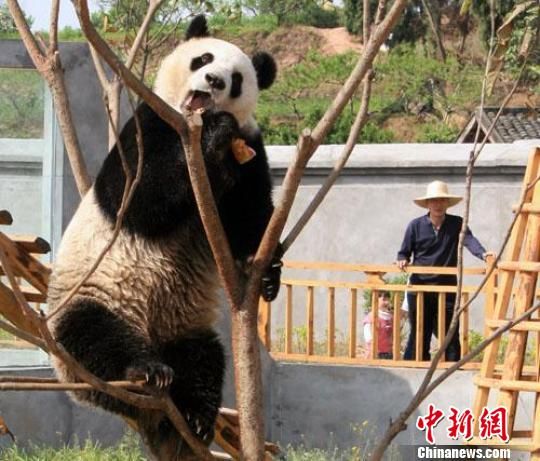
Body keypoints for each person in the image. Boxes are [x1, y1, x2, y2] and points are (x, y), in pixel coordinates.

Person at [396, 180, 492, 362]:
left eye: (441, 201)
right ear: (428, 204)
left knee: (450, 332)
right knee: (419, 331)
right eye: (434, 201)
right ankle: (415, 366)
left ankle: (452, 366)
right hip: (420, 287)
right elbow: (404, 252)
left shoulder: (456, 223)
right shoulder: (415, 226)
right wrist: (402, 259)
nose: (438, 205)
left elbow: (470, 241)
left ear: (447, 203)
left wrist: (484, 254)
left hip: (447, 287)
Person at [363, 291, 394, 359]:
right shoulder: (371, 316)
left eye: (388, 299)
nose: (387, 302)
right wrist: (372, 345)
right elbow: (367, 335)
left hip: (388, 353)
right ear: (375, 300)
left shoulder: (390, 317)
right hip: (374, 353)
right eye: (384, 299)